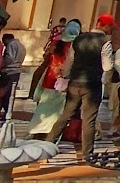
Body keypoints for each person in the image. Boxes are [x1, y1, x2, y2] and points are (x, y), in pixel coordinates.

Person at [41, 19, 113, 161]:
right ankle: (87, 154)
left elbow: (70, 60)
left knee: (66, 114)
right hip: (92, 84)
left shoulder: (79, 38)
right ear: (104, 25)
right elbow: (107, 67)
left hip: (75, 82)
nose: (110, 30)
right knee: (89, 119)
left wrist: (66, 77)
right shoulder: (105, 42)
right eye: (110, 27)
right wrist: (107, 82)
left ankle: (47, 144)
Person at [28, 22, 77, 139]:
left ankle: (37, 131)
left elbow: (45, 64)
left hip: (49, 81)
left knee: (43, 110)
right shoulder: (75, 48)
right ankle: (49, 134)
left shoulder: (55, 46)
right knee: (56, 113)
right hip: (63, 84)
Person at [0, 31, 26, 115]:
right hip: (16, 71)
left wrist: (1, 65)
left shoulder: (11, 45)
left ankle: (5, 111)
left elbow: (9, 57)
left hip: (9, 71)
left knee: (4, 93)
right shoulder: (21, 45)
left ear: (6, 40)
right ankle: (7, 111)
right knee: (9, 94)